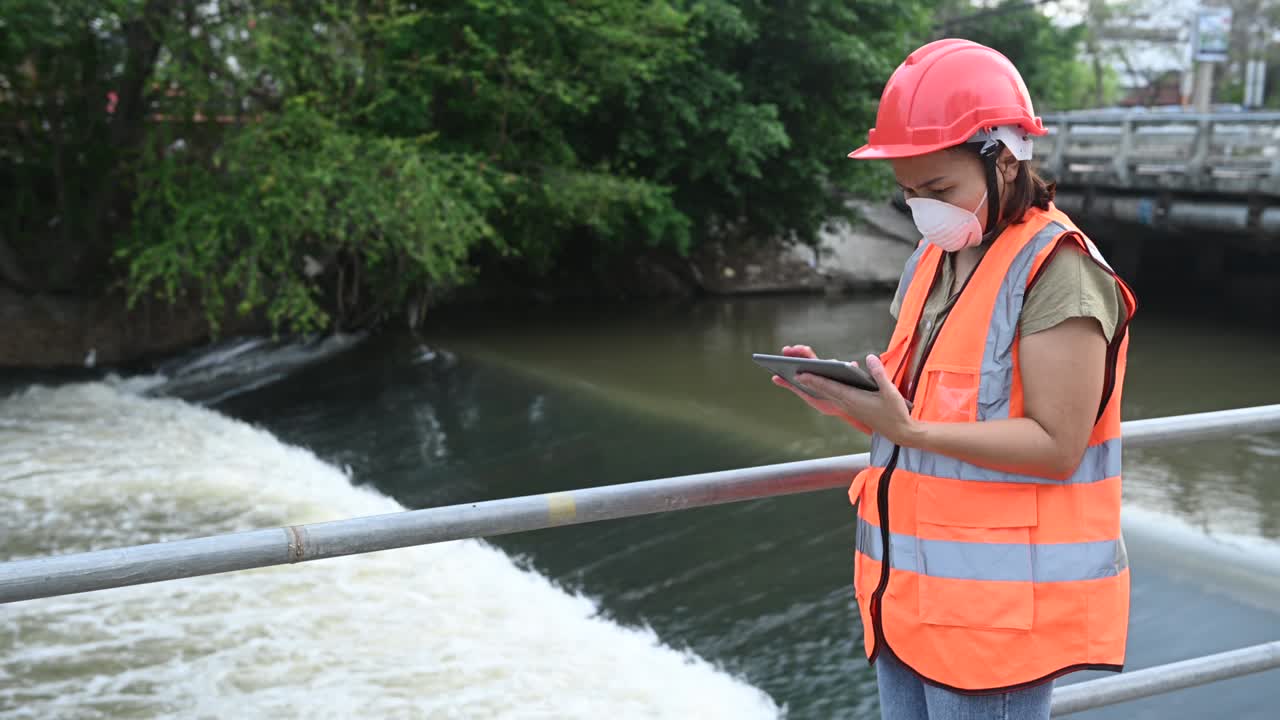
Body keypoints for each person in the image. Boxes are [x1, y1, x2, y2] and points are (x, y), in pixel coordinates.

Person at [771, 39, 1137, 720]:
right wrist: (850, 396)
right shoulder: (936, 258)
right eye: (910, 193)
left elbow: (1059, 446)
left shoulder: (1060, 272)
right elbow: (923, 403)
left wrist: (905, 426)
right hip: (904, 599)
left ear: (1005, 158)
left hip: (992, 620)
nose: (924, 210)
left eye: (939, 190)